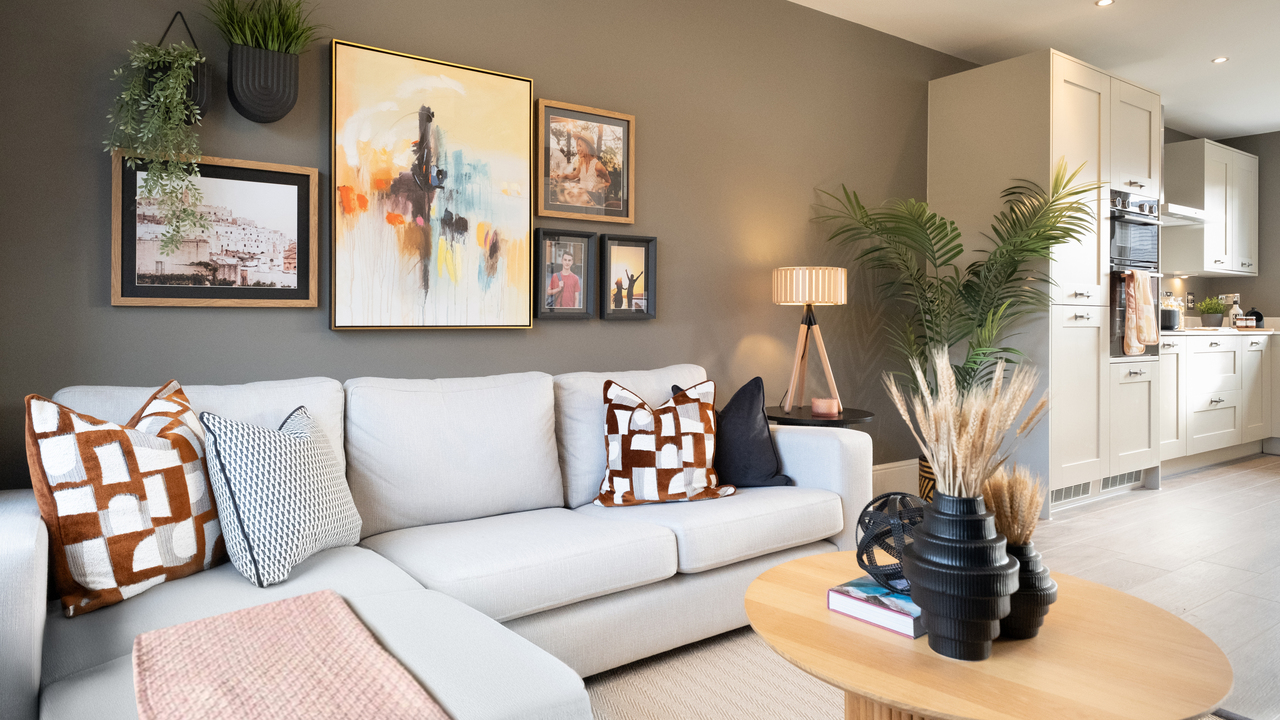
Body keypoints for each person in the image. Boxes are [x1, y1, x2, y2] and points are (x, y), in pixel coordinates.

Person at [552, 134, 612, 206]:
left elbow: (608, 182)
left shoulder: (598, 166)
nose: (577, 149)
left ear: (588, 147)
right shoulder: (582, 161)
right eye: (577, 145)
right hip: (582, 197)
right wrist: (561, 176)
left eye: (580, 146)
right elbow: (575, 175)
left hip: (594, 201)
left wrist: (600, 186)